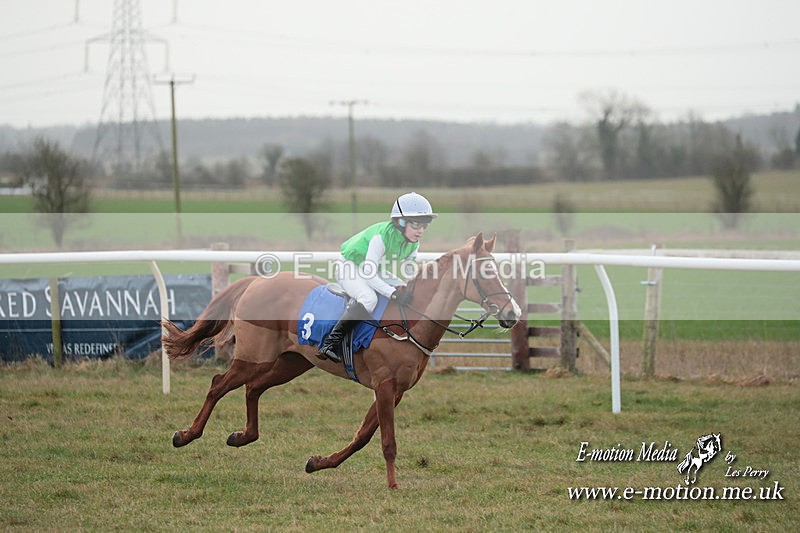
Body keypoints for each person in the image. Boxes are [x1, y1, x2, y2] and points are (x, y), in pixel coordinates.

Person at [317, 192, 437, 362]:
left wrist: (426, 274)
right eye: (417, 225)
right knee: (368, 299)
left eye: (424, 226)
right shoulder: (381, 237)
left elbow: (409, 271)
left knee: (403, 287)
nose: (421, 231)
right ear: (401, 222)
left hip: (372, 269)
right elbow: (369, 274)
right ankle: (331, 343)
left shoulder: (414, 243)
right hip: (349, 266)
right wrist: (393, 293)